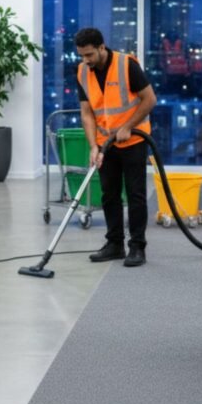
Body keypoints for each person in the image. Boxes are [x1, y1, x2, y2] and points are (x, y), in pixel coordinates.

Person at [75, 28, 157, 267]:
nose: (86, 60)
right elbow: (87, 113)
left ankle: (137, 247)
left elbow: (150, 99)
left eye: (89, 54)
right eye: (82, 55)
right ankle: (114, 244)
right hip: (105, 144)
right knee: (109, 194)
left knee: (135, 194)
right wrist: (93, 146)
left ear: (101, 47)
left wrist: (128, 126)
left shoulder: (126, 65)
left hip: (133, 141)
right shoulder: (82, 71)